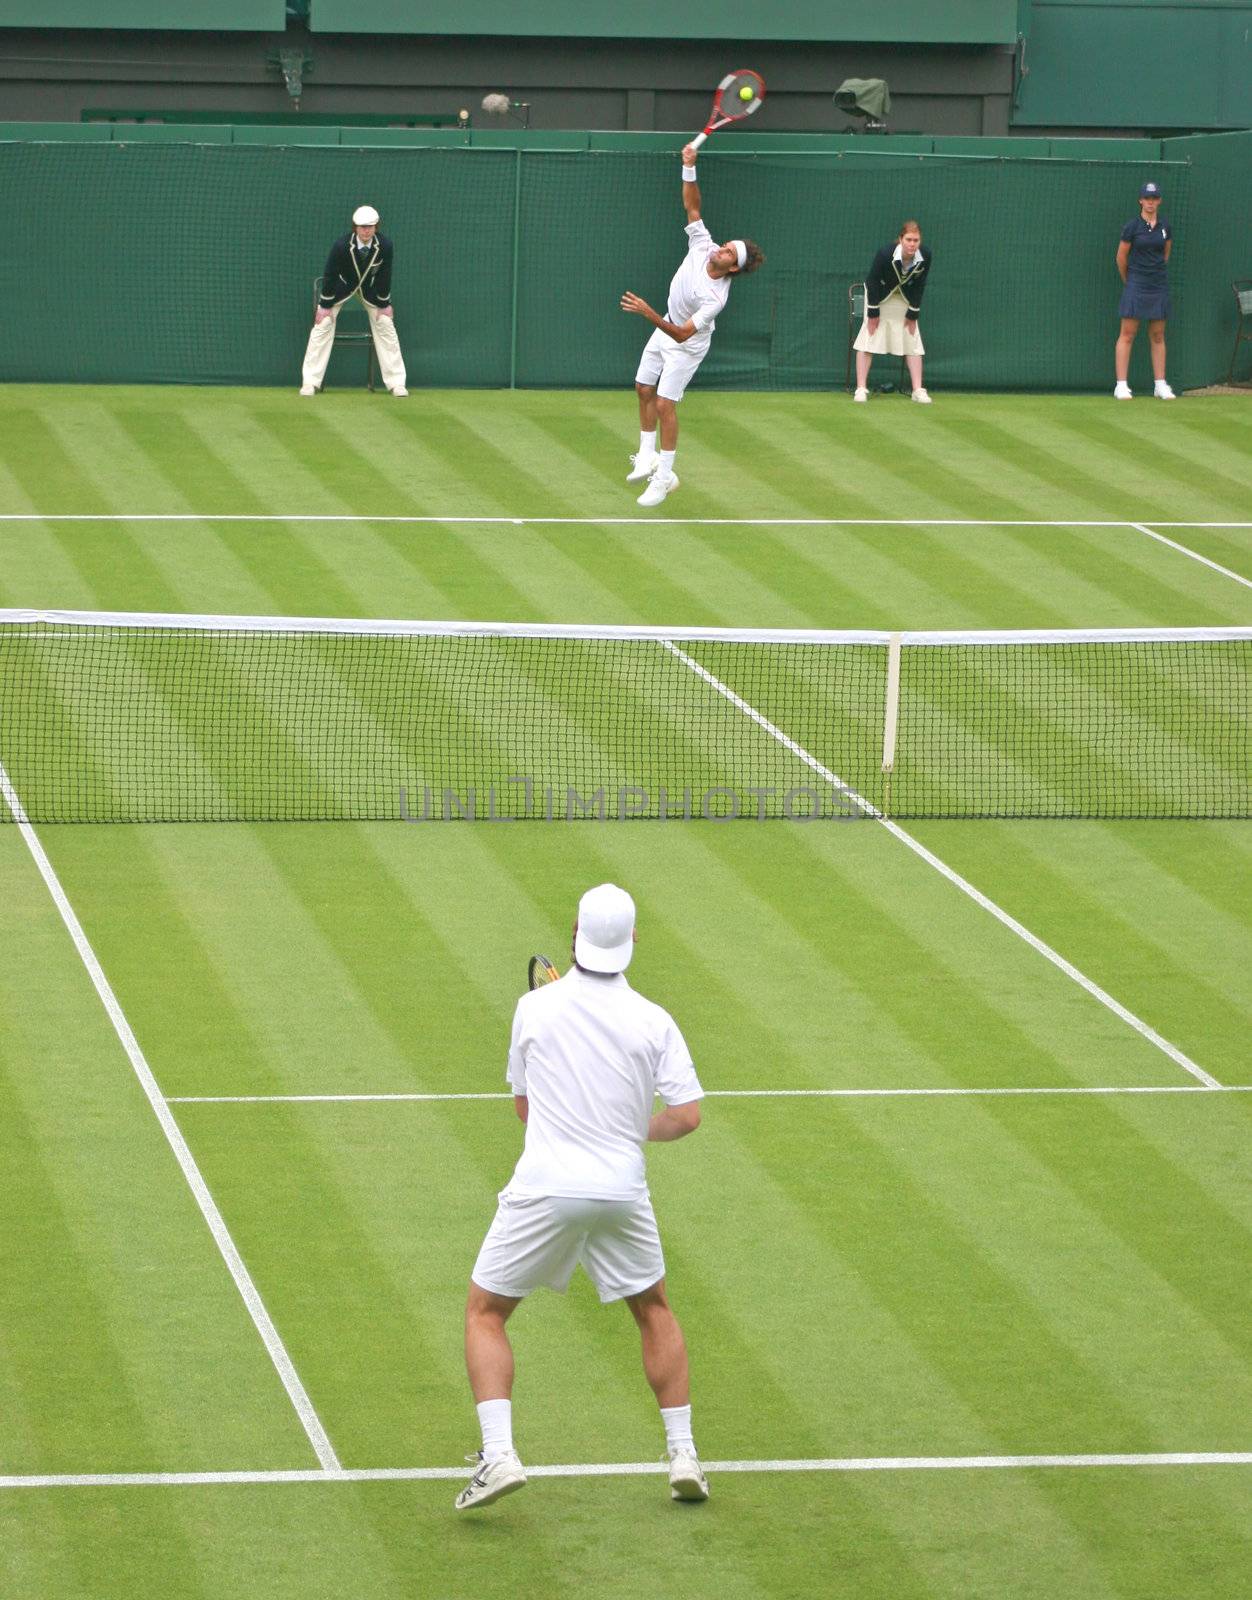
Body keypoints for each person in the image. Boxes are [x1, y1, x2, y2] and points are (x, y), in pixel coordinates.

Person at [457, 882, 708, 1512]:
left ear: (575, 934)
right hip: (622, 1190)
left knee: (485, 1311)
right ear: (632, 942)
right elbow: (687, 1115)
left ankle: (499, 1456)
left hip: (546, 1186)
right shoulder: (655, 1020)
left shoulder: (532, 1010)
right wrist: (631, 1130)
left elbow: (523, 1108)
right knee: (654, 1308)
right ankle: (684, 1455)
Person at [620, 144, 764, 507]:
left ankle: (665, 477)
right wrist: (689, 167)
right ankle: (646, 454)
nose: (722, 248)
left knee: (666, 405)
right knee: (641, 386)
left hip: (686, 343)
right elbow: (692, 205)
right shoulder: (703, 244)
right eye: (726, 245)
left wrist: (649, 313)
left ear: (733, 267)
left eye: (729, 252)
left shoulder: (716, 298)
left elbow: (684, 333)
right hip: (665, 324)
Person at [299, 204, 408, 397]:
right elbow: (330, 274)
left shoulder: (385, 245)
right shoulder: (341, 245)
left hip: (370, 291)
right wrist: (324, 306)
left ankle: (397, 383)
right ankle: (310, 382)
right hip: (341, 289)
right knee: (322, 324)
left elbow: (385, 275)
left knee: (385, 323)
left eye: (370, 226)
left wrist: (384, 304)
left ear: (376, 227)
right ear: (355, 227)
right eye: (362, 226)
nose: (366, 230)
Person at [853, 221, 933, 403]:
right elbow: (872, 281)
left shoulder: (926, 255)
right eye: (909, 240)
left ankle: (918, 390)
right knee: (869, 336)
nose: (912, 244)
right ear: (900, 240)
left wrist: (913, 313)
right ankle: (861, 388)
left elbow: (921, 284)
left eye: (916, 240)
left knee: (912, 337)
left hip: (904, 298)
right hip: (879, 296)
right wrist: (873, 313)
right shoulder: (885, 254)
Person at [1114, 181, 1175, 400]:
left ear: (1159, 201)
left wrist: (1153, 274)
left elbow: (1165, 254)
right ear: (1141, 200)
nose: (1150, 202)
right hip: (1136, 284)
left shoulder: (1165, 227)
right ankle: (1121, 385)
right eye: (1147, 198)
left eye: (1154, 198)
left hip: (1157, 284)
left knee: (1158, 335)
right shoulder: (1131, 227)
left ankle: (1160, 385)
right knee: (1127, 334)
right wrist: (1130, 280)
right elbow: (1121, 258)